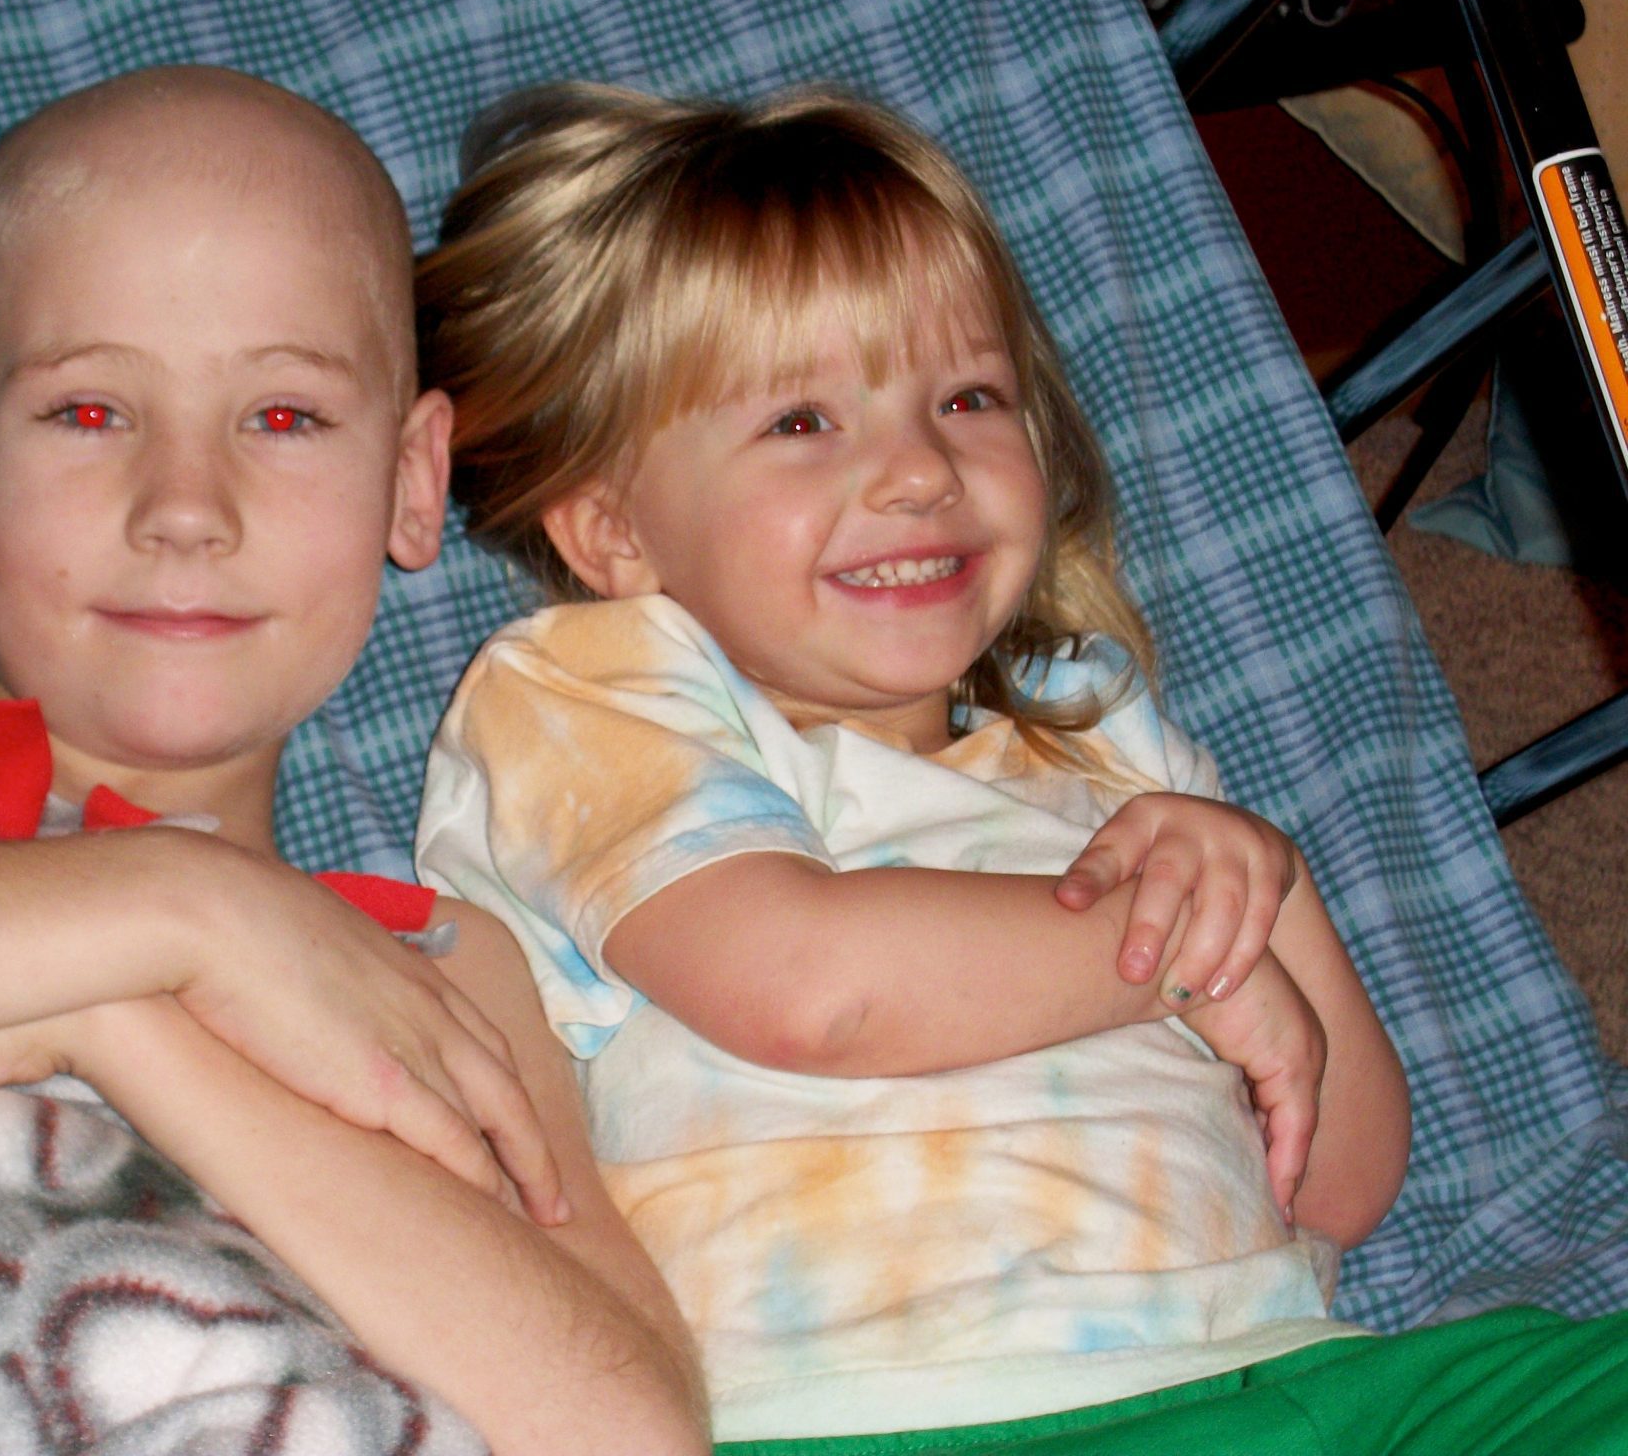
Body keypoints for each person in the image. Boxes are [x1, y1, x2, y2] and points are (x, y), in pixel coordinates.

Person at [412, 82, 1628, 1452]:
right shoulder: (589, 691)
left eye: (968, 396)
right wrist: (1174, 958)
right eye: (802, 421)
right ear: (613, 532)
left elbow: (1336, 1186)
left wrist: (1263, 890)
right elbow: (811, 991)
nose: (921, 470)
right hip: (887, 1410)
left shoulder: (1100, 739)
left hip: (1283, 1373)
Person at [0, 66, 703, 1455]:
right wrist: (174, 908)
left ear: (413, 484)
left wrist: (125, 1018)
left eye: (283, 417)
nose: (185, 507)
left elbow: (625, 1431)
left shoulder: (435, 973)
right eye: (88, 412)